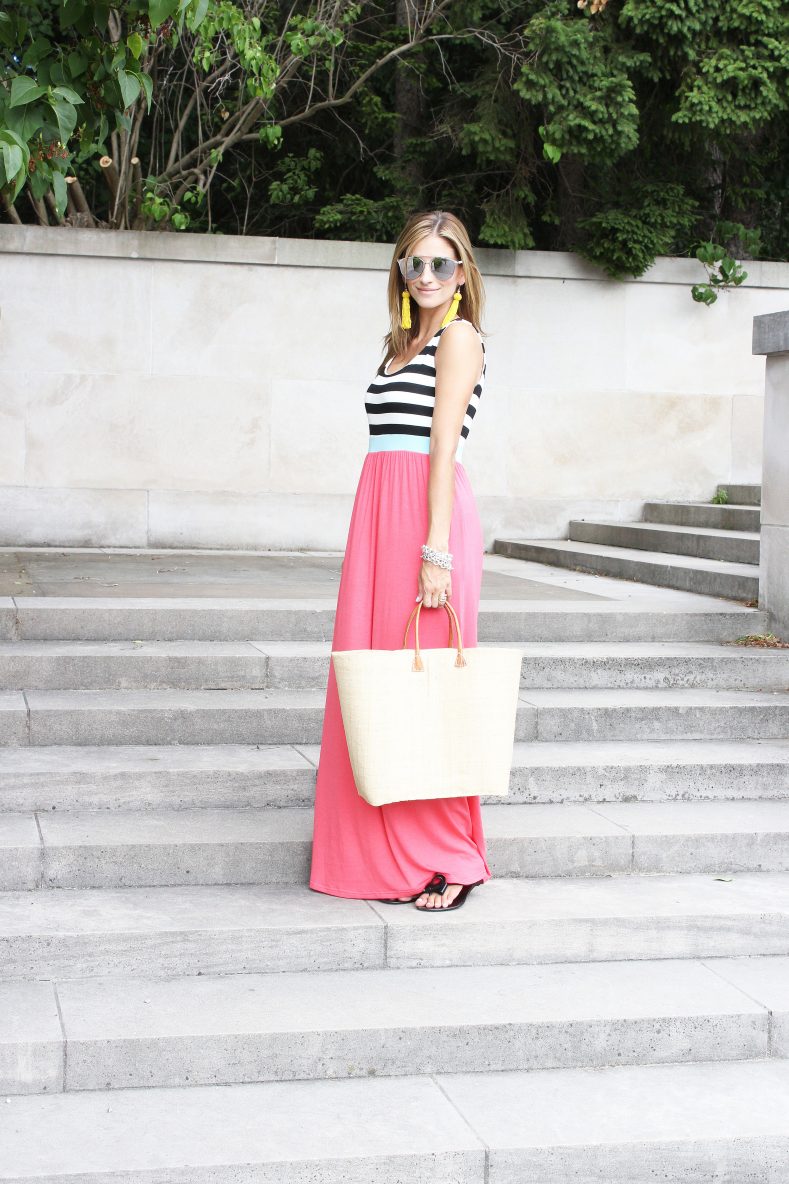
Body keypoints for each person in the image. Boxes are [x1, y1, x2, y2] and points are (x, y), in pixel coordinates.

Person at [309, 208, 490, 912]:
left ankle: (448, 857)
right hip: (378, 519)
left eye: (440, 263)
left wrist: (435, 551)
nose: (425, 275)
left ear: (462, 273)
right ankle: (374, 846)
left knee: (426, 687)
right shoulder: (398, 342)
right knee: (374, 680)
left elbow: (442, 448)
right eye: (414, 262)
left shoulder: (459, 337)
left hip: (425, 520)